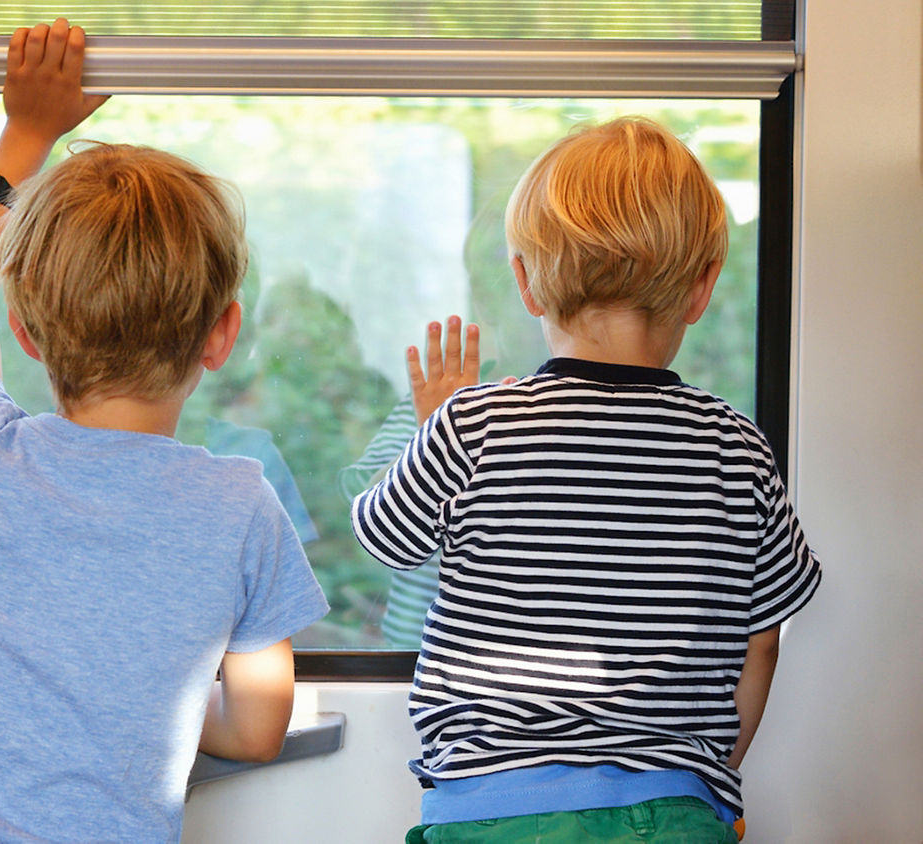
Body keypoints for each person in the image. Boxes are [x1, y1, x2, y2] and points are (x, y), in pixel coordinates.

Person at [0, 20, 328, 843]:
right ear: (222, 334)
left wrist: (25, 132)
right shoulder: (241, 505)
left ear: (28, 335)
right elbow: (256, 729)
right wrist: (145, 697)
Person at [351, 117, 821, 843]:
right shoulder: (735, 445)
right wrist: (712, 783)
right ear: (701, 292)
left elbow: (382, 538)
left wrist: (431, 429)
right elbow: (763, 640)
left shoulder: (476, 422)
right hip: (673, 810)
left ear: (526, 285)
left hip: (493, 810)